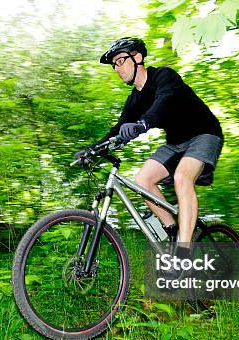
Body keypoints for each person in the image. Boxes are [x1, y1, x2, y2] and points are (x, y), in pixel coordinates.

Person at [76, 37, 224, 257]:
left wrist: (142, 123)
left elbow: (164, 102)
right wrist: (92, 150)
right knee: (143, 180)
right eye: (114, 64)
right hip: (176, 143)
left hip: (204, 134)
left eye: (121, 60)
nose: (117, 68)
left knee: (182, 178)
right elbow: (116, 131)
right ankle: (173, 231)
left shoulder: (164, 76)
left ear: (137, 58)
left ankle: (184, 251)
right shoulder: (134, 100)